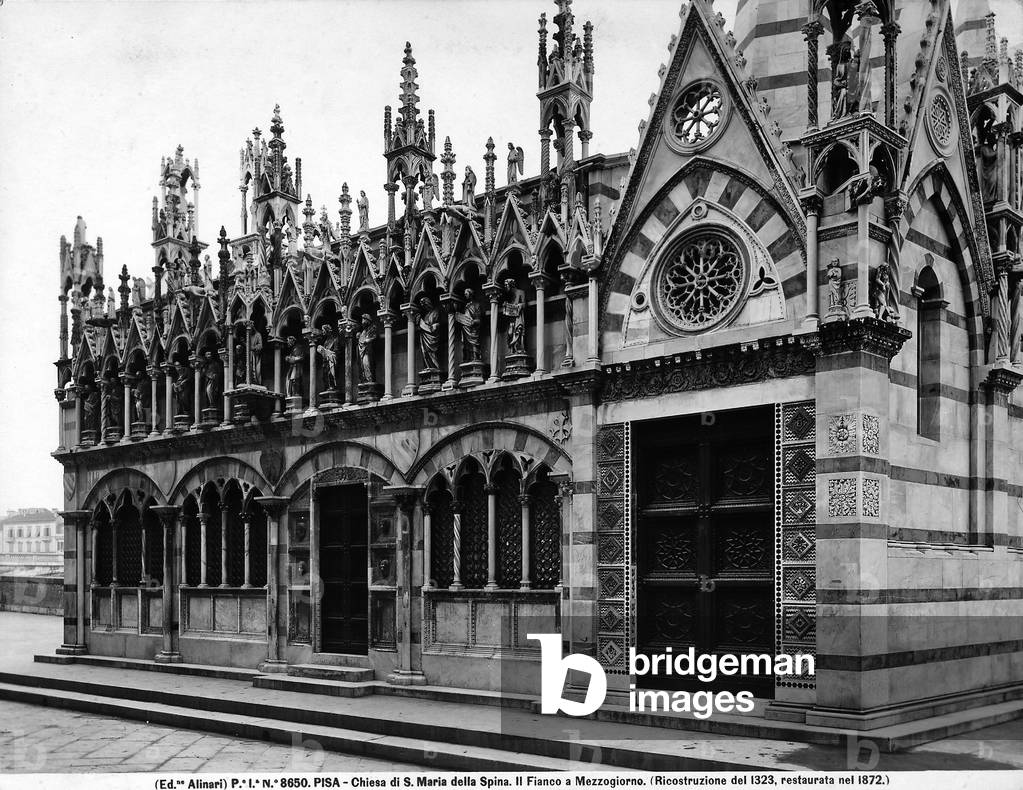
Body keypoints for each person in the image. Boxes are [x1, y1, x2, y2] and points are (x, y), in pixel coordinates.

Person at [418, 296, 440, 371]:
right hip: (425, 336)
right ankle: (428, 367)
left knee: (431, 352)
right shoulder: (426, 315)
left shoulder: (435, 312)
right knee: (425, 352)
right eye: (423, 306)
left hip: (432, 338)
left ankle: (434, 368)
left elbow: (435, 325)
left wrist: (433, 326)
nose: (424, 307)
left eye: (425, 305)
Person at [357, 313, 379, 383]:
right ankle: (365, 379)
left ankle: (370, 379)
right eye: (362, 319)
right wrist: (359, 338)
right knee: (363, 366)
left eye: (363, 319)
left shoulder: (372, 328)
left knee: (367, 364)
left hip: (368, 351)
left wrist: (368, 340)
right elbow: (361, 341)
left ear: (367, 320)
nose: (362, 322)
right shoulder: (363, 332)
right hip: (363, 352)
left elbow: (374, 337)